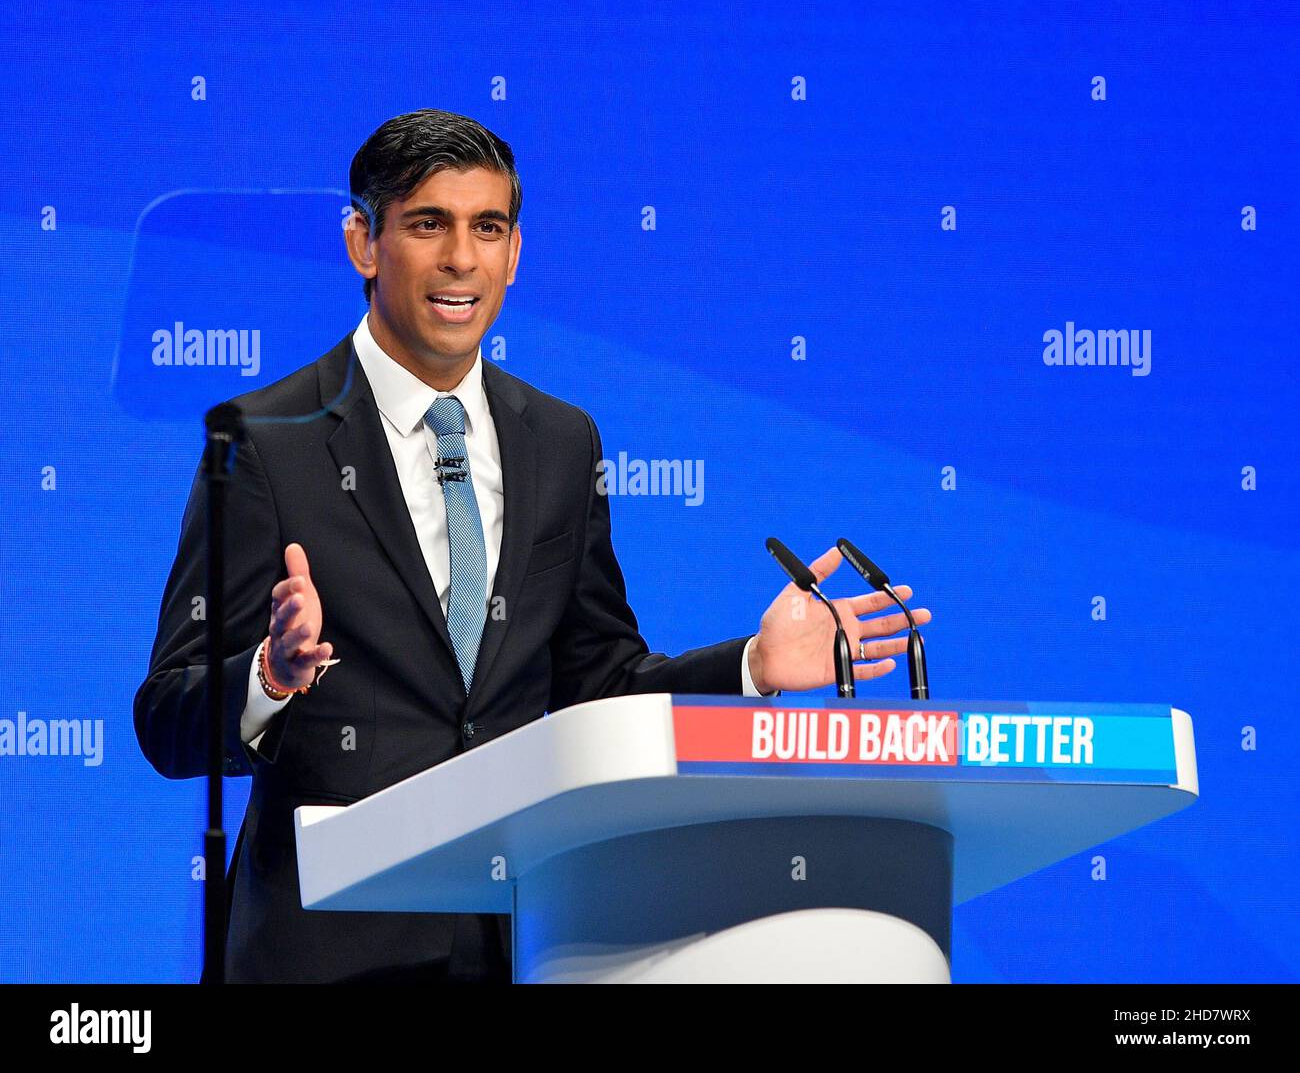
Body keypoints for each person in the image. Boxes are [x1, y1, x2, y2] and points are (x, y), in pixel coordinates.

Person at [133, 108, 931, 983]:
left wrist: (753, 666)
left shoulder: (560, 441)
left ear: (515, 251)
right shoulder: (264, 439)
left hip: (524, 947)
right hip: (325, 953)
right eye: (428, 224)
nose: (461, 260)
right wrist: (270, 675)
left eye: (488, 227)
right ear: (363, 241)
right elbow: (168, 720)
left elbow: (600, 684)